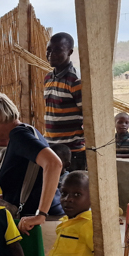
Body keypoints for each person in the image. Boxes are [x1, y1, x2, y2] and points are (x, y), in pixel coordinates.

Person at [0, 92, 63, 240]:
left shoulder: (19, 135)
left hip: (37, 225)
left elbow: (54, 164)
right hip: (35, 222)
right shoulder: (25, 132)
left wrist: (41, 214)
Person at [44, 32, 86, 171]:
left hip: (72, 152)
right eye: (49, 50)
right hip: (52, 148)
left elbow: (88, 115)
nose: (51, 54)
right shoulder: (48, 78)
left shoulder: (75, 80)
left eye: (57, 50)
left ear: (70, 52)